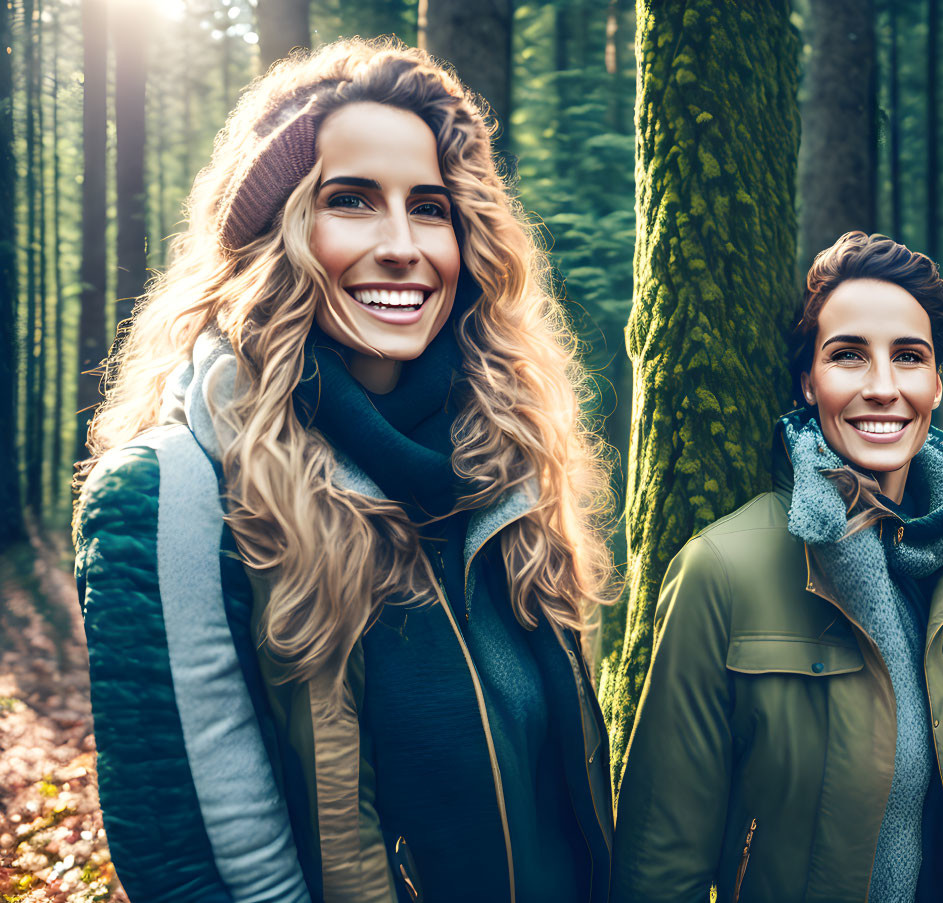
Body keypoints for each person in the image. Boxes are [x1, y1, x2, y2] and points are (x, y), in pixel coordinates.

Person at [73, 40, 616, 903]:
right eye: (351, 200)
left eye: (430, 207)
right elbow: (185, 871)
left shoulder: (501, 460)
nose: (402, 246)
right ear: (276, 231)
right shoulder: (172, 492)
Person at [610, 231, 943, 903]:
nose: (881, 386)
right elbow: (659, 866)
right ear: (808, 381)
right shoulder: (719, 570)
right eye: (847, 356)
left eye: (908, 356)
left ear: (935, 382)